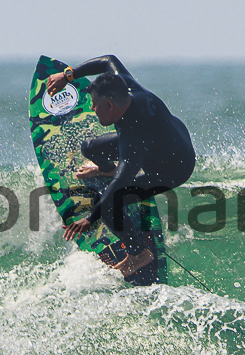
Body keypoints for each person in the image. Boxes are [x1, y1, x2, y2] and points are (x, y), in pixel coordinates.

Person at [46, 55, 195, 278]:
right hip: (165, 140)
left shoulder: (134, 137)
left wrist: (90, 218)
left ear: (109, 105)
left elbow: (120, 185)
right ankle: (109, 168)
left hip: (173, 168)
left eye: (95, 105)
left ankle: (139, 254)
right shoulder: (126, 87)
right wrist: (68, 75)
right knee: (90, 148)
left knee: (108, 204)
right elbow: (108, 60)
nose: (92, 109)